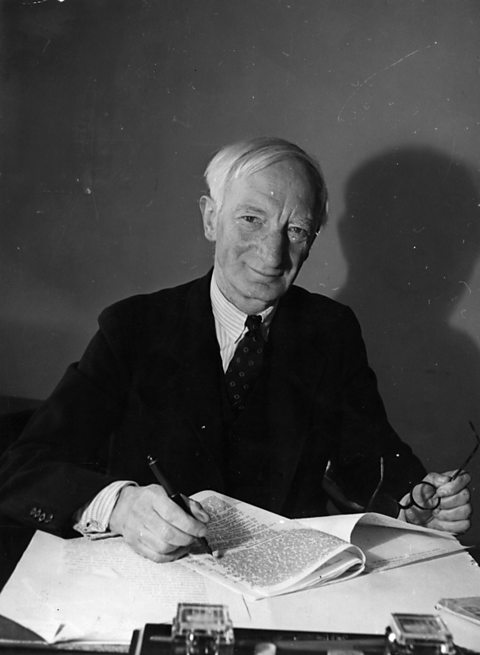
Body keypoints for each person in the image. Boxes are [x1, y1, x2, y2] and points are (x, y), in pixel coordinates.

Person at [0, 137, 471, 564]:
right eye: (251, 219)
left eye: (296, 230)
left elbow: (372, 457)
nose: (271, 256)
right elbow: (22, 469)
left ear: (314, 241)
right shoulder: (133, 327)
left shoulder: (331, 331)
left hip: (287, 594)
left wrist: (415, 502)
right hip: (152, 584)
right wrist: (121, 506)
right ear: (211, 218)